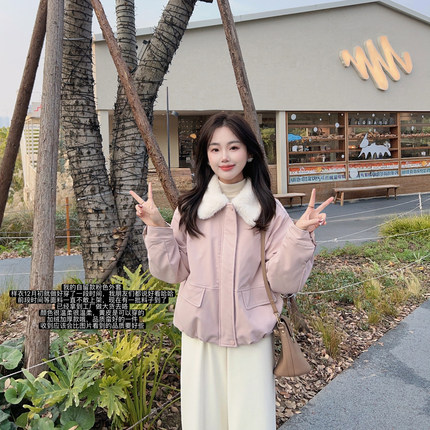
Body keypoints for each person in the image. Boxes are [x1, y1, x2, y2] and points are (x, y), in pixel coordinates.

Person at [130, 112, 332, 430]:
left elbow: (283, 281)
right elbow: (173, 271)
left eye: (234, 147)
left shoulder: (269, 210)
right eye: (215, 148)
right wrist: (156, 225)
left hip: (250, 331)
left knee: (250, 420)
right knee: (202, 419)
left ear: (249, 153)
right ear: (206, 156)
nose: (224, 157)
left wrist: (299, 234)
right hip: (201, 332)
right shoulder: (190, 208)